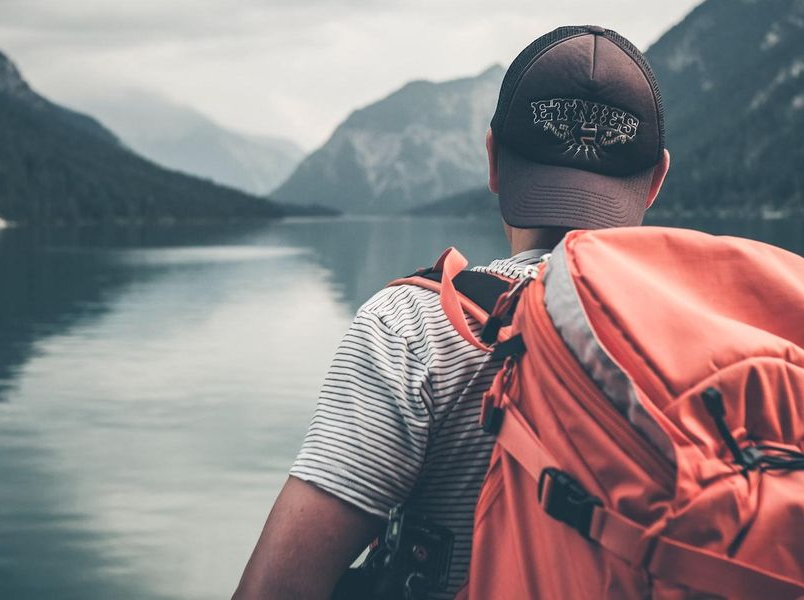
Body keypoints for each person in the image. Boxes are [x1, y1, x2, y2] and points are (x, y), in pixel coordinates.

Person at [235, 25, 671, 599]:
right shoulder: (720, 339)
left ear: (492, 161)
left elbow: (275, 591)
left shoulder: (409, 329)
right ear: (655, 181)